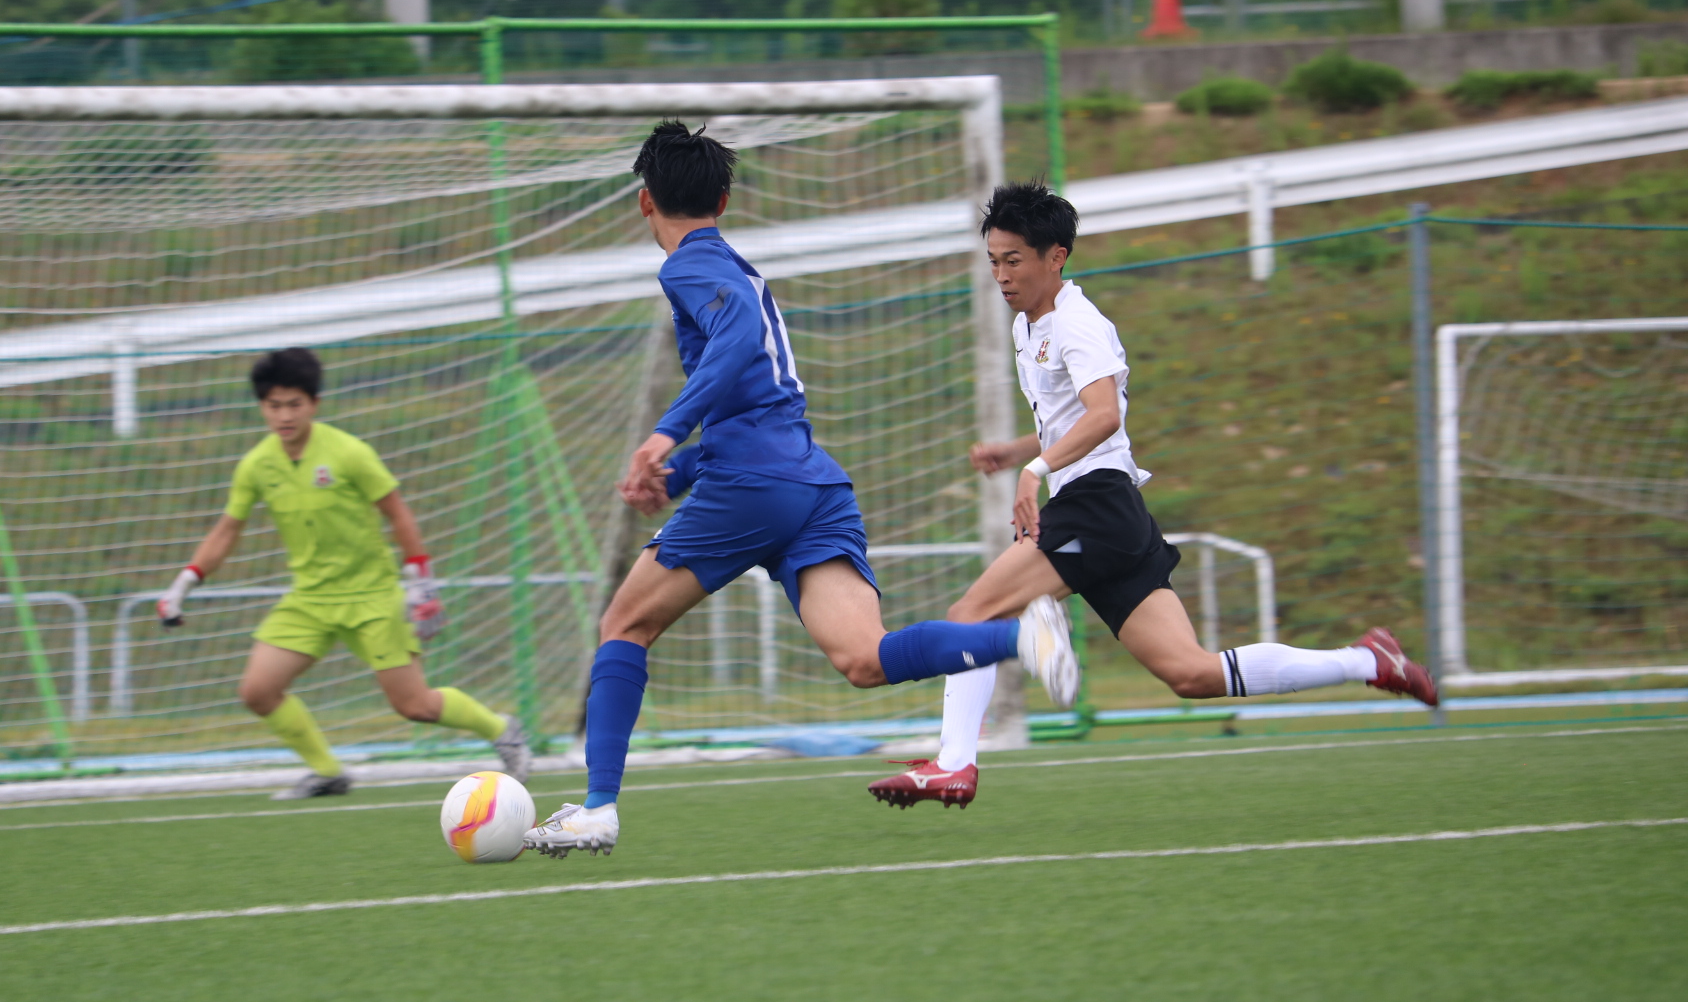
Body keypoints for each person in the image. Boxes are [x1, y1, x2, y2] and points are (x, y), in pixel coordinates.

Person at [523, 123, 1069, 857]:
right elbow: (755, 403)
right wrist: (677, 472)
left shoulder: (688, 267)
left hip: (753, 486)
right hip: (811, 484)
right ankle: (1023, 637)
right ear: (723, 200)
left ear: (645, 201)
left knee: (623, 625)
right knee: (864, 659)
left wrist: (663, 436)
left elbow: (735, 343)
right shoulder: (738, 266)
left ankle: (597, 808)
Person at [868, 182, 1438, 810]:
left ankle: (954, 765)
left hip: (1095, 505)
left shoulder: (1079, 323)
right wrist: (1018, 451)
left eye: (1014, 261)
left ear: (1056, 257)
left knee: (971, 614)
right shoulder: (1028, 325)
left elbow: (1104, 416)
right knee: (1191, 674)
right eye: (994, 261)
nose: (1002, 276)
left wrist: (1033, 471)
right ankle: (1367, 661)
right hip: (1115, 514)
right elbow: (1074, 418)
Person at [158, 346, 530, 800]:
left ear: (314, 403)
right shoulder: (257, 465)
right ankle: (327, 772)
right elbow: (227, 530)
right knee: (258, 691)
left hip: (373, 597)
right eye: (274, 406)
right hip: (310, 600)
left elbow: (397, 512)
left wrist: (421, 582)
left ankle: (502, 730)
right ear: (262, 407)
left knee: (414, 705)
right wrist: (183, 584)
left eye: (294, 404)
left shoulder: (349, 452)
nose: (284, 416)